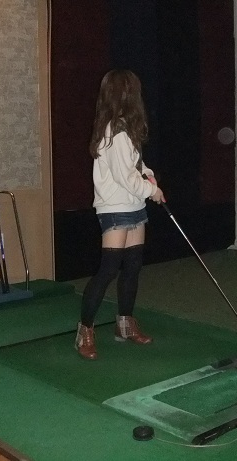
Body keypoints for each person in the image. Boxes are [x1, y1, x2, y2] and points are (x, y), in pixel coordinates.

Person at [75, 69, 165, 360]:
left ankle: (125, 325)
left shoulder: (126, 128)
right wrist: (152, 191)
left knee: (133, 266)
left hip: (134, 205)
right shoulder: (114, 131)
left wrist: (149, 176)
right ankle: (85, 331)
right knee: (109, 270)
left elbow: (135, 166)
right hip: (115, 208)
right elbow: (124, 177)